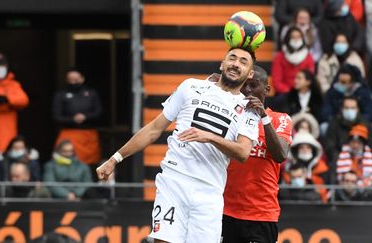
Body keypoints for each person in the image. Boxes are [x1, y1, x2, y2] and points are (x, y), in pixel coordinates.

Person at [97, 47, 260, 243]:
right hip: (174, 180)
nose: (235, 64)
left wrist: (209, 137)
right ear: (222, 63)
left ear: (250, 74)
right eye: (232, 58)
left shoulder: (249, 109)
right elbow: (153, 129)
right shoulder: (190, 86)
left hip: (210, 191)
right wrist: (115, 158)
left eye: (243, 62)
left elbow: (243, 152)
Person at [222, 65, 292, 243]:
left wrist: (263, 117)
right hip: (225, 210)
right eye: (244, 85)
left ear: (267, 89)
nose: (247, 90)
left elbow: (281, 155)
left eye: (253, 85)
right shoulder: (229, 117)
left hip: (261, 215)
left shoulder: (280, 119)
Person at [53, 68, 103, 171]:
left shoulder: (92, 93)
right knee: (65, 162)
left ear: (82, 78)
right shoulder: (60, 95)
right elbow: (56, 116)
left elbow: (99, 112)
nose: (74, 82)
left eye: (76, 79)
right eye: (71, 79)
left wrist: (86, 117)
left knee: (91, 165)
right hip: (68, 134)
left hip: (89, 134)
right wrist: (72, 119)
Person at [323, 97, 372, 171]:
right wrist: (341, 158)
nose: (350, 110)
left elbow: (369, 144)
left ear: (357, 109)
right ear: (342, 109)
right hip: (339, 159)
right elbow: (330, 146)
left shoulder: (365, 124)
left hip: (362, 159)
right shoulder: (334, 123)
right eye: (347, 108)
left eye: (352, 108)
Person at [282, 131, 329, 201]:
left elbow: (323, 192)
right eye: (302, 148)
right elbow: (284, 192)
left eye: (308, 147)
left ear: (313, 150)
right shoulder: (288, 167)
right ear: (296, 150)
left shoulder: (322, 167)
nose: (305, 150)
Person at [272, 26, 315, 95]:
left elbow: (309, 79)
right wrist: (290, 93)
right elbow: (276, 82)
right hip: (284, 94)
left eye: (298, 37)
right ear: (288, 39)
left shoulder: (308, 56)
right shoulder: (280, 56)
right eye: (293, 37)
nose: (296, 39)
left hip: (303, 93)